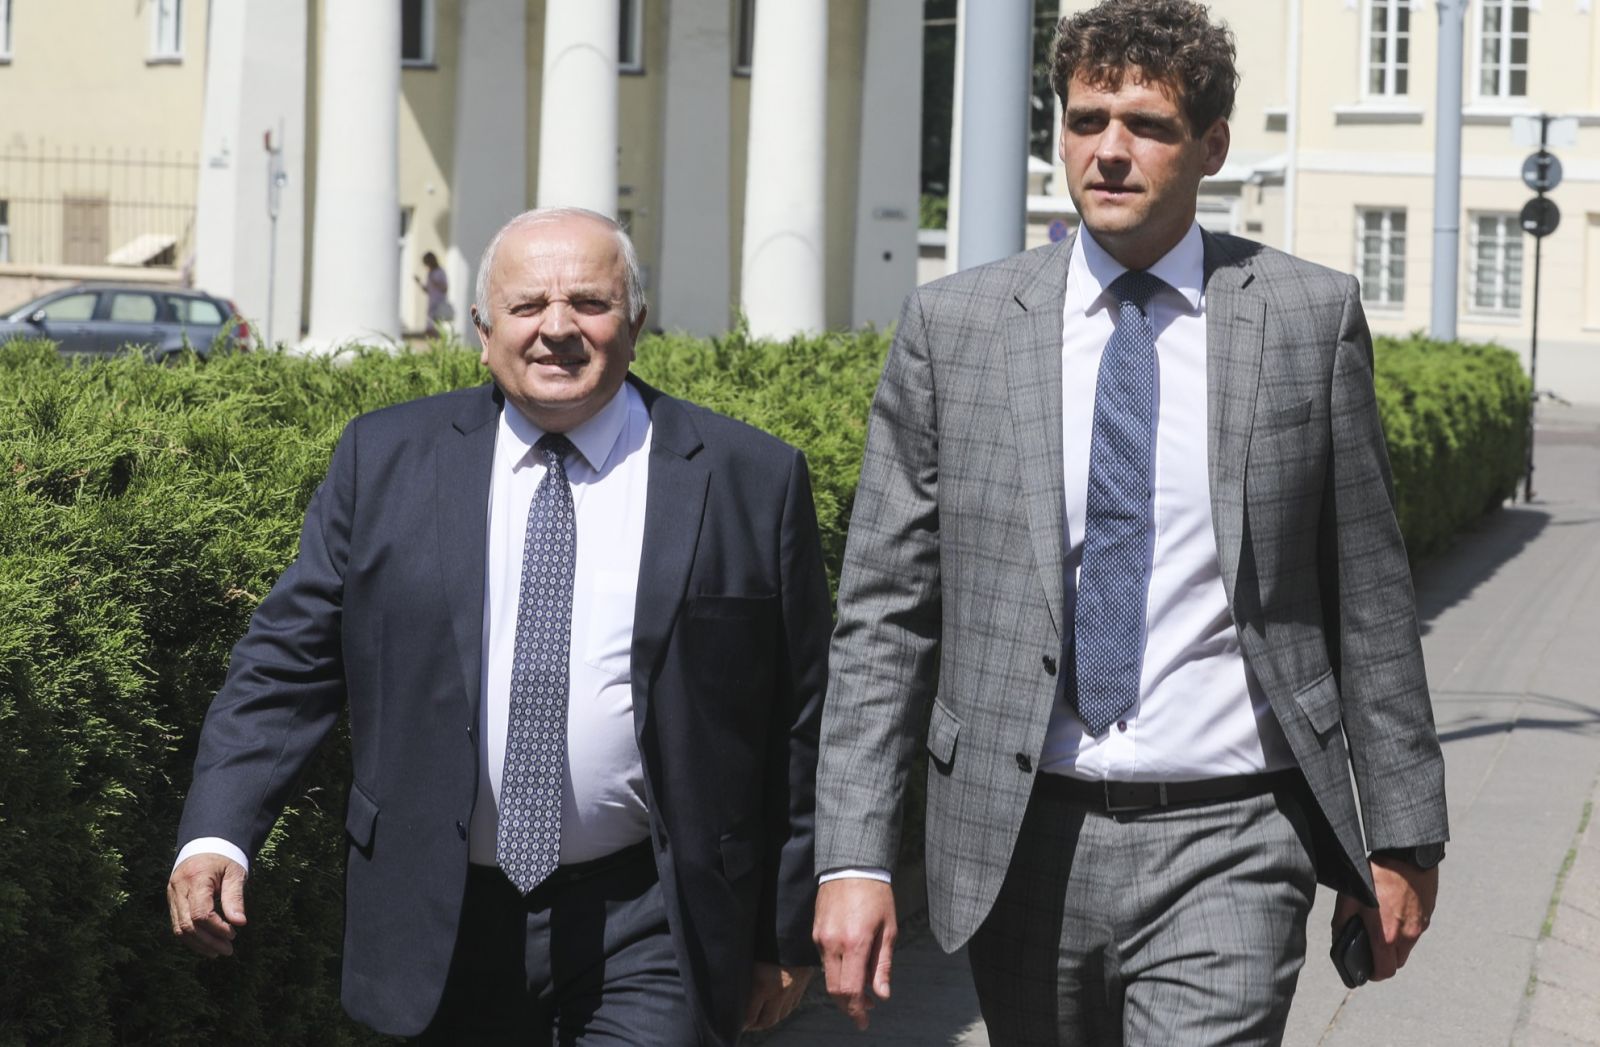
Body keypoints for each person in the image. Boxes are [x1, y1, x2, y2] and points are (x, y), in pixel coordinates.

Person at [812, 2, 1448, 1043]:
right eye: (1085, 120)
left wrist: (1404, 835)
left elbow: (1369, 593)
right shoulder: (955, 327)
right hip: (1021, 833)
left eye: (1146, 125)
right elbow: (885, 615)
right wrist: (852, 854)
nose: (1108, 150)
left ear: (1211, 146)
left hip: (1235, 828)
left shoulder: (1304, 317)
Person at [168, 207, 829, 1045]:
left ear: (636, 325)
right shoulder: (384, 460)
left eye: (589, 302)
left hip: (653, 916)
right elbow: (287, 665)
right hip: (437, 917)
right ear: (483, 332)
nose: (558, 327)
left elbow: (802, 718)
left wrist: (786, 927)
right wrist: (218, 832)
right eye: (527, 306)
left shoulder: (748, 478)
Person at [417, 250, 454, 334]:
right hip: (431, 306)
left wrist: (435, 282)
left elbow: (445, 289)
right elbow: (427, 290)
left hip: (439, 305)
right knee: (430, 329)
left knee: (438, 328)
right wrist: (419, 282)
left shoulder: (440, 272)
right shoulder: (430, 273)